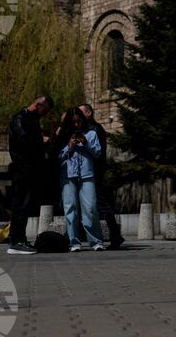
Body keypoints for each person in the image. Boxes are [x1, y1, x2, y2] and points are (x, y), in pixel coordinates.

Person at [7, 95, 53, 255]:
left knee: (25, 205)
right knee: (20, 204)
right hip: (22, 169)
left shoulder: (32, 120)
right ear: (38, 105)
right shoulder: (19, 119)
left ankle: (20, 239)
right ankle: (16, 241)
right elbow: (23, 141)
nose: (44, 115)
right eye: (45, 111)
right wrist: (41, 140)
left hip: (30, 169)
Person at [59, 107, 105, 252]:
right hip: (68, 175)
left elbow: (98, 153)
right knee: (70, 209)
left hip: (87, 174)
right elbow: (57, 156)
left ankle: (96, 241)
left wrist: (86, 143)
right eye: (73, 122)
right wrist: (69, 147)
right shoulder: (63, 135)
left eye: (79, 121)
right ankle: (74, 242)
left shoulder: (91, 134)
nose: (76, 125)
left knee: (90, 208)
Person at [81, 103, 124, 249]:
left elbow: (97, 153)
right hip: (93, 172)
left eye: (81, 113)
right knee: (98, 204)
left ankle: (115, 236)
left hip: (96, 173)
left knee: (102, 204)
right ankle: (115, 235)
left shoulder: (94, 129)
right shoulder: (90, 128)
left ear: (88, 113)